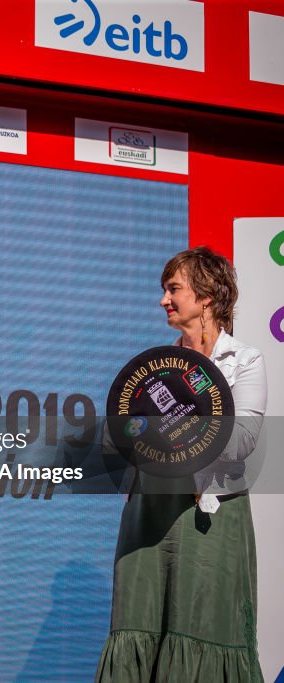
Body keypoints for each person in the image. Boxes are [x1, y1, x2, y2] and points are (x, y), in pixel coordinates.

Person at [96, 246, 268, 682]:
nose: (163, 300)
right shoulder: (152, 372)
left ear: (207, 296)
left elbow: (242, 440)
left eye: (173, 289)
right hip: (147, 513)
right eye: (164, 290)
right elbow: (115, 443)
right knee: (138, 628)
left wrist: (179, 424)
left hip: (209, 517)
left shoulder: (245, 361)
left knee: (204, 631)